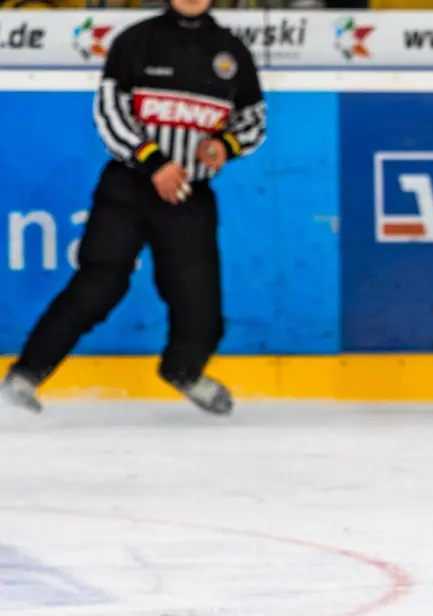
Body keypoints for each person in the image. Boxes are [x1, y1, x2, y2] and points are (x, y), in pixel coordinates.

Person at [0, 0, 265, 416]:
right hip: (127, 188)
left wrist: (224, 145)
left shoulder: (232, 51)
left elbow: (253, 120)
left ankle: (184, 371)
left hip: (188, 196)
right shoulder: (137, 40)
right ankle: (25, 375)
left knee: (201, 307)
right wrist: (154, 163)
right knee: (99, 284)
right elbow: (109, 111)